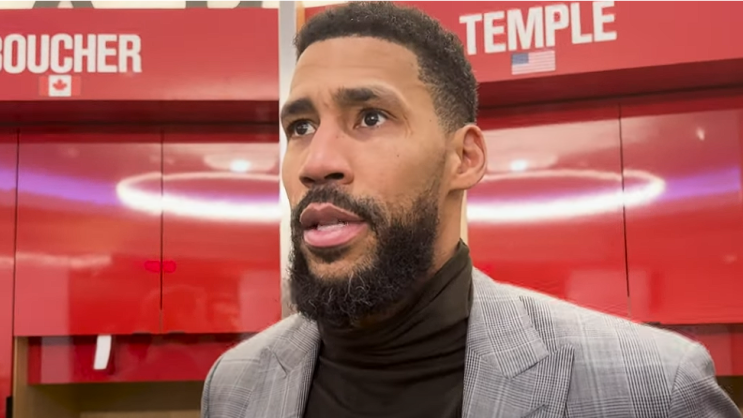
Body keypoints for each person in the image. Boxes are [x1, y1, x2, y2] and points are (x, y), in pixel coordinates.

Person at [201, 2, 742, 418]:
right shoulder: (234, 385)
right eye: (300, 127)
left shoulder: (653, 390)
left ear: (464, 158)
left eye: (371, 117)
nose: (316, 163)